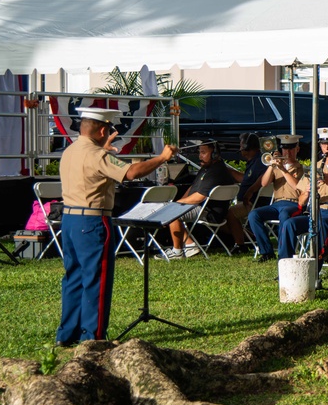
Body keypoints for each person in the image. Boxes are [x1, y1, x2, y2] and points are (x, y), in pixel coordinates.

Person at [56, 107, 176, 346]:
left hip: (69, 220)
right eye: (109, 129)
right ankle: (93, 337)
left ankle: (66, 334)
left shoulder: (70, 151)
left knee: (74, 278)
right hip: (92, 220)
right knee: (97, 280)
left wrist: (103, 148)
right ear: (102, 130)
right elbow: (131, 173)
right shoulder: (98, 156)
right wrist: (162, 158)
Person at [278, 127, 328, 262]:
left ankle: (316, 262)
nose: (326, 148)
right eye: (323, 144)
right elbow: (300, 202)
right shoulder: (314, 167)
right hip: (314, 212)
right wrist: (307, 192)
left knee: (322, 224)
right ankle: (285, 263)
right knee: (289, 224)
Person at [159, 141, 234, 260]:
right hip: (204, 208)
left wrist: (175, 205)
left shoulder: (216, 171)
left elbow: (199, 197)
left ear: (215, 155)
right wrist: (179, 201)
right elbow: (192, 188)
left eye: (203, 153)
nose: (200, 156)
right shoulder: (207, 168)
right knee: (172, 209)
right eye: (199, 152)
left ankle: (177, 251)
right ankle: (190, 245)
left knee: (173, 214)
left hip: (209, 212)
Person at [246, 134, 305, 262]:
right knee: (254, 215)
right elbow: (264, 183)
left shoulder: (302, 169)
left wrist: (283, 169)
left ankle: (284, 254)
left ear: (297, 149)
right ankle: (266, 251)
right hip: (277, 203)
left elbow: (297, 186)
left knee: (285, 215)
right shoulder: (276, 167)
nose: (287, 152)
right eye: (285, 148)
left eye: (291, 149)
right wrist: (271, 165)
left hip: (294, 204)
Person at [224, 133, 265, 251]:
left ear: (247, 146)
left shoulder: (259, 163)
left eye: (241, 145)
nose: (240, 148)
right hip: (251, 202)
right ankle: (251, 238)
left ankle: (240, 244)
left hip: (253, 203)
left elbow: (257, 181)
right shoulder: (255, 161)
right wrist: (231, 172)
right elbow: (246, 179)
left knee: (229, 214)